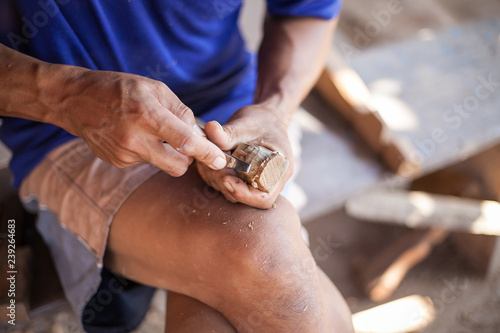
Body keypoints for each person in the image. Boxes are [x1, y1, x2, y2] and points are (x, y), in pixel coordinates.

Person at [0, 0, 354, 332]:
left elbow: (307, 12)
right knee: (262, 254)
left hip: (240, 116)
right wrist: (66, 96)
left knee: (240, 286)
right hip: (66, 128)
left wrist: (274, 111)